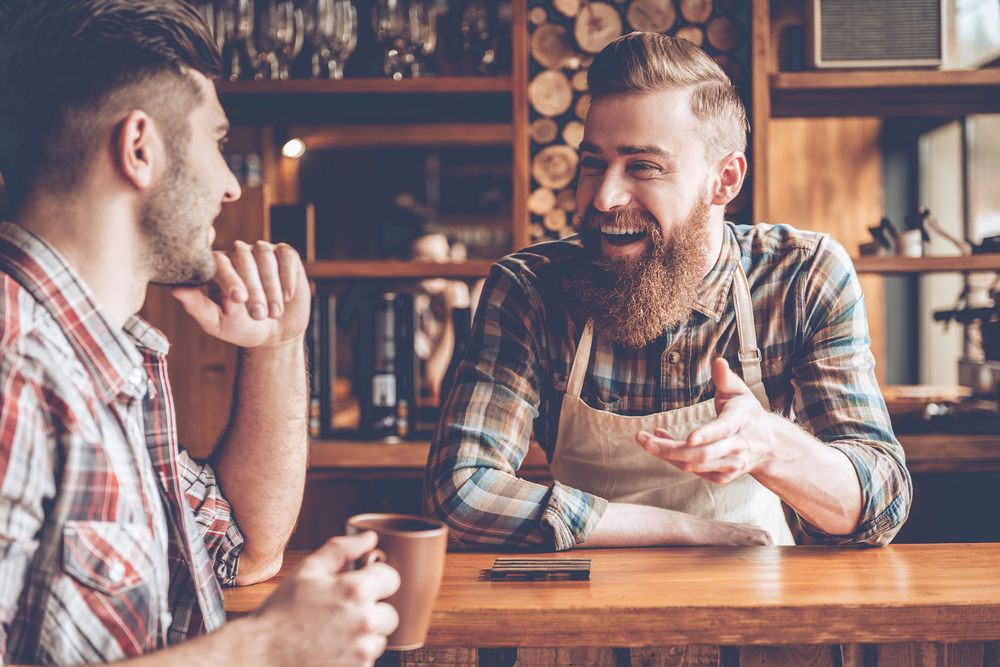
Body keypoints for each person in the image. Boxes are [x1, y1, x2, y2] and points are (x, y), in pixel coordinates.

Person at [0, 1, 398, 665]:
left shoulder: (104, 359)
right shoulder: (16, 367)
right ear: (139, 148)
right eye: (217, 142)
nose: (230, 186)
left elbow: (244, 548)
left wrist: (275, 346)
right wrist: (265, 647)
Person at [424, 32, 912, 551]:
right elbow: (459, 491)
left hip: (758, 605)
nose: (606, 197)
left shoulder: (802, 276)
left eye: (644, 167)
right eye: (594, 163)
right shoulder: (530, 289)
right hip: (582, 607)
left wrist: (771, 445)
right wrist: (684, 532)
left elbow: (881, 507)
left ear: (725, 179)